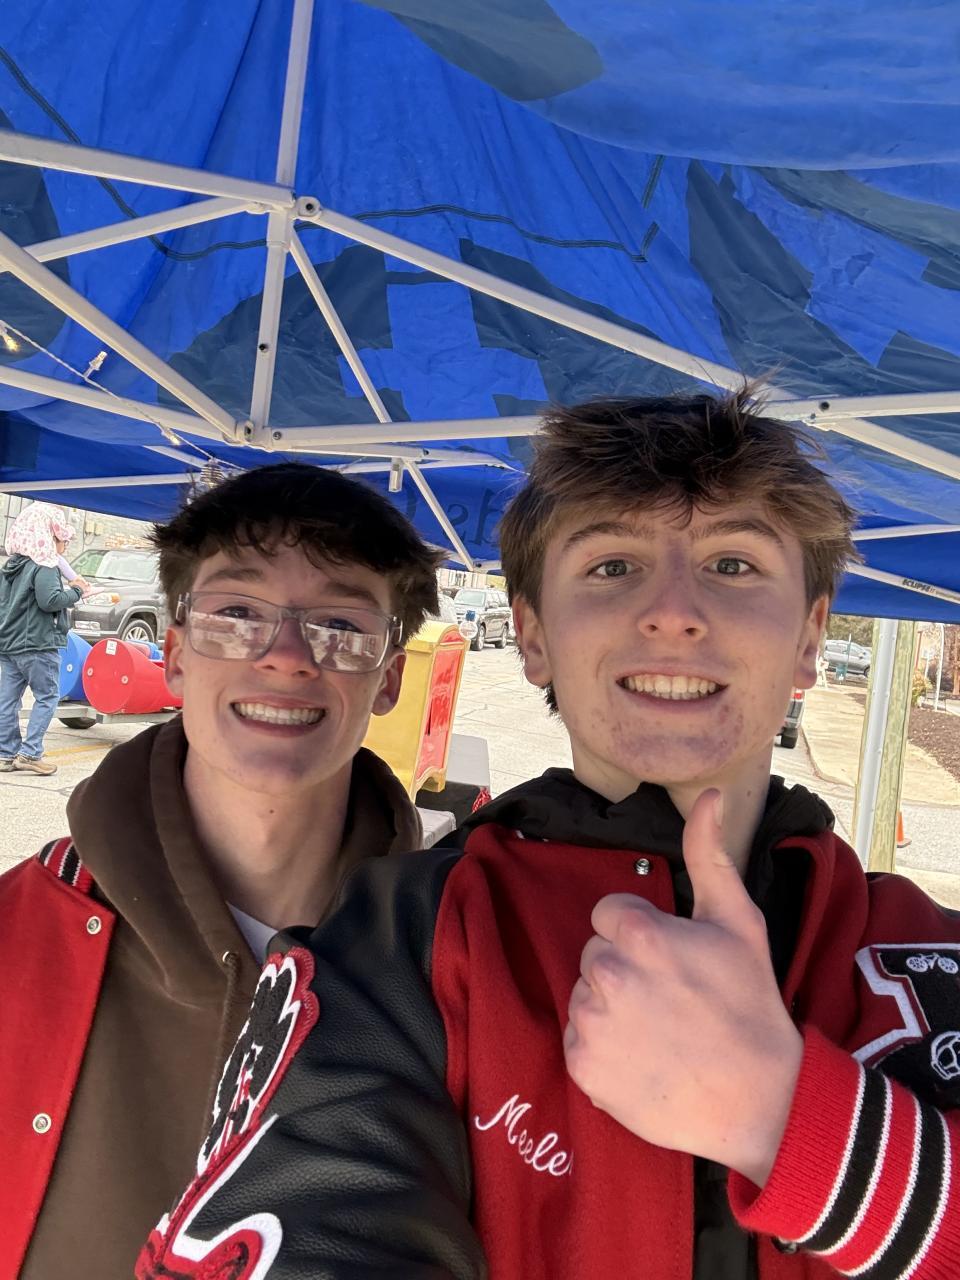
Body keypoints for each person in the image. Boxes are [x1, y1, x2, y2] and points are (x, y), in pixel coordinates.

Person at [139, 393, 960, 1280]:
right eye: (612, 566)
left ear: (809, 635)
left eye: (732, 563)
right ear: (531, 635)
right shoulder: (397, 941)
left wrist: (802, 1128)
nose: (673, 612)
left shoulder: (925, 950)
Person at [0, 463, 442, 1279]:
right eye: (235, 614)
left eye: (340, 624)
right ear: (173, 655)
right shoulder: (18, 933)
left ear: (387, 678)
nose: (286, 657)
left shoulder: (453, 966)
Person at [0, 501, 86, 775]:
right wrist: (77, 590)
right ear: (48, 535)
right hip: (38, 644)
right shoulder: (45, 565)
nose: (65, 544)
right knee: (47, 697)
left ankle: (5, 754)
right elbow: (50, 601)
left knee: (7, 701)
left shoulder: (11, 565)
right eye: (62, 538)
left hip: (9, 644)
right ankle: (30, 753)